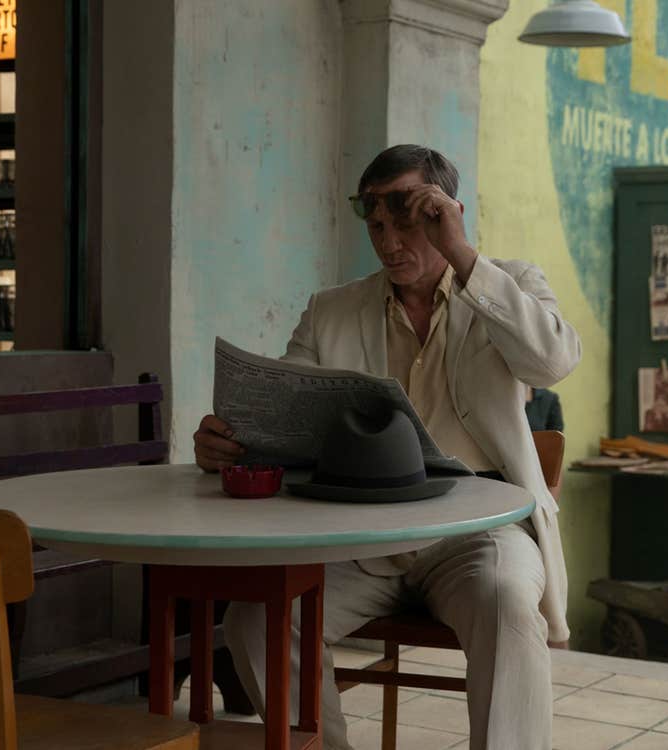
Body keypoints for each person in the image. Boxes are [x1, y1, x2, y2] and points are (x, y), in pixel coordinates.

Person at [193, 145, 581, 750]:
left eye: (409, 220)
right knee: (257, 618)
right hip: (361, 535)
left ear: (448, 214)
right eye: (377, 224)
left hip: (481, 529)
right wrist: (229, 443)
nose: (390, 241)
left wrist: (460, 253)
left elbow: (552, 362)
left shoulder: (510, 283)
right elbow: (288, 418)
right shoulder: (331, 311)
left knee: (506, 605)